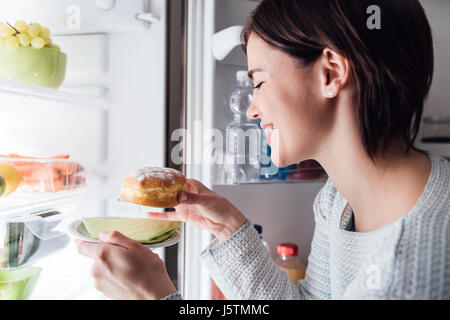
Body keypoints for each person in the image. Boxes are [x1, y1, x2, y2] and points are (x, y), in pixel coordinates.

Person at [75, 0, 450, 299]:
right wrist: (229, 229)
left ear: (330, 73)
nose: (252, 108)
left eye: (259, 82)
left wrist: (154, 298)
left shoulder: (415, 265)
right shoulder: (338, 201)